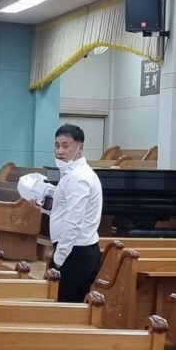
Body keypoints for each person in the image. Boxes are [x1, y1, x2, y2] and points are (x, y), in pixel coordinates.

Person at [43, 124, 103, 303]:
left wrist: (59, 258)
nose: (59, 151)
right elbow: (65, 210)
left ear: (80, 147)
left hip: (75, 252)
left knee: (66, 308)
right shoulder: (72, 173)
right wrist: (42, 207)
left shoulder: (79, 177)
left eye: (66, 146)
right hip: (75, 250)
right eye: (57, 145)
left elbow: (74, 221)